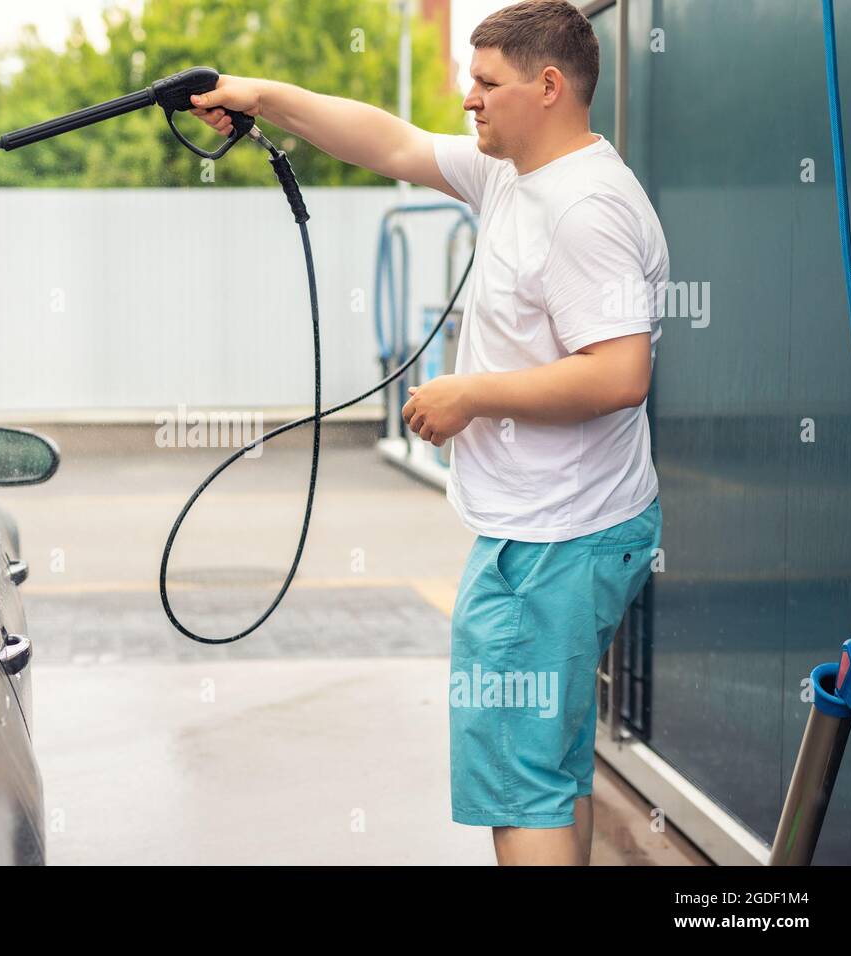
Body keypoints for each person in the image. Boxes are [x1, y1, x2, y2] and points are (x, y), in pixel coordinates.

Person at [190, 0, 667, 865]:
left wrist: (471, 396)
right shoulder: (518, 172)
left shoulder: (583, 210)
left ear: (549, 86)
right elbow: (389, 142)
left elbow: (620, 374)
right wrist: (260, 95)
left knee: (522, 784)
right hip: (563, 534)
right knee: (549, 772)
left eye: (486, 84)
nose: (469, 101)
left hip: (549, 544)